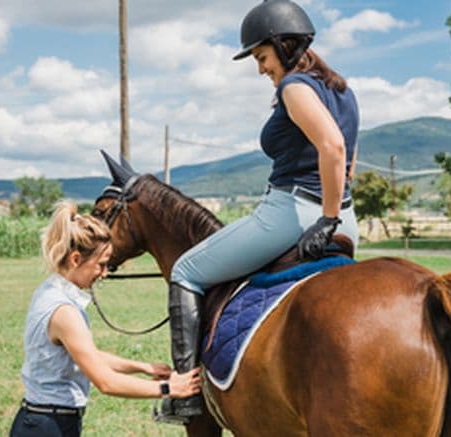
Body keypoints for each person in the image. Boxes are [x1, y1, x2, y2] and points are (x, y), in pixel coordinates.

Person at [161, 0, 360, 421]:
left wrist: (324, 219)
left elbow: (334, 147)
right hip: (347, 221)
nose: (261, 69)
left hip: (294, 215)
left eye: (262, 57)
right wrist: (336, 216)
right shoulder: (343, 91)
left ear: (284, 47)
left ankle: (186, 397)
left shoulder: (294, 87)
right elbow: (350, 161)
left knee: (186, 270)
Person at [9, 201, 201, 436]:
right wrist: (168, 388)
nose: (104, 273)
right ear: (76, 259)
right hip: (49, 426)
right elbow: (106, 382)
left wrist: (141, 367)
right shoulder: (64, 312)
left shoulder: (49, 291)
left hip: (44, 421)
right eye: (100, 265)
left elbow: (87, 356)